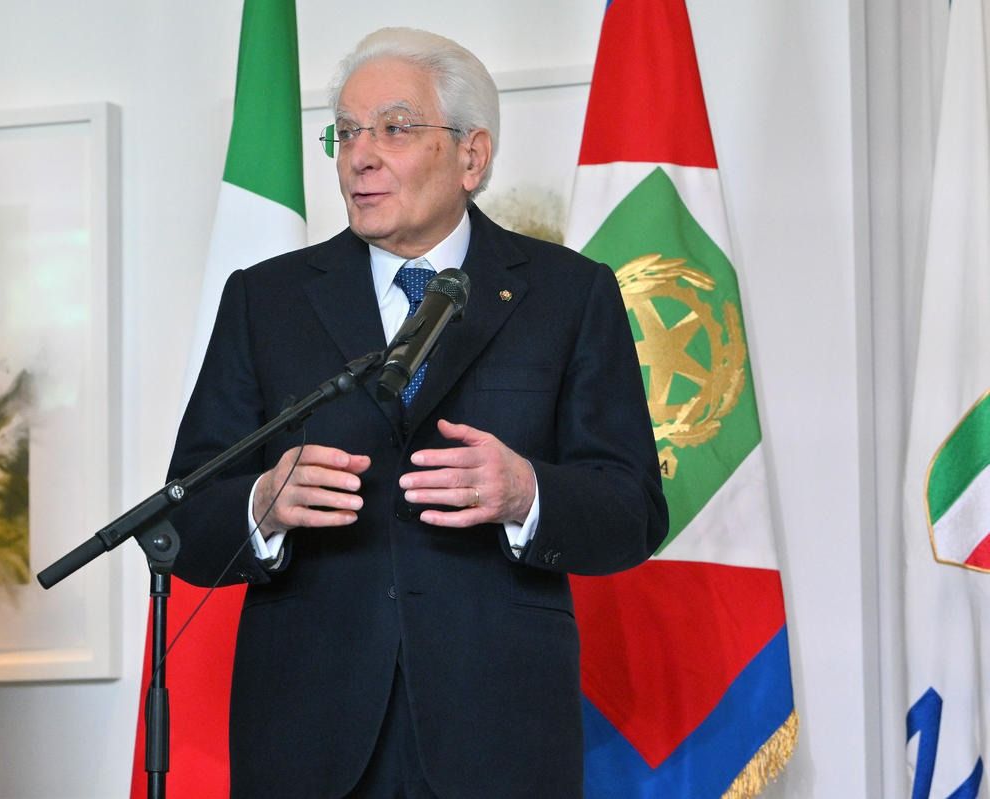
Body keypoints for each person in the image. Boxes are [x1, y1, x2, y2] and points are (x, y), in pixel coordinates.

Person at [168, 27, 667, 799]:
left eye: (394, 128)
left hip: (499, 734)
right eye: (346, 132)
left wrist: (527, 492)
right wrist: (260, 504)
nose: (359, 156)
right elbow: (184, 516)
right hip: (307, 734)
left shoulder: (568, 294)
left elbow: (633, 510)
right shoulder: (265, 299)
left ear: (472, 156)